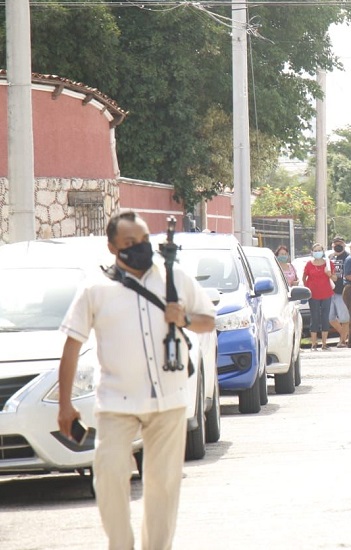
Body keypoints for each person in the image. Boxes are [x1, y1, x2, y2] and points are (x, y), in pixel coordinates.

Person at [56, 211, 216, 550]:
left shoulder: (174, 277)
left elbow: (207, 321)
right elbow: (72, 345)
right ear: (113, 247)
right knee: (109, 476)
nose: (140, 248)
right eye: (130, 243)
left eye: (144, 240)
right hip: (116, 403)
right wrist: (65, 404)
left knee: (163, 486)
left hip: (168, 401)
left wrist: (183, 318)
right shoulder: (95, 289)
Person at [302, 243, 336, 351]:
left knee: (325, 317)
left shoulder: (328, 263)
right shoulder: (309, 264)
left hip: (326, 293)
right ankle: (314, 343)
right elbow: (304, 277)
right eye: (315, 250)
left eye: (319, 250)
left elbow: (335, 278)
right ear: (312, 252)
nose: (317, 252)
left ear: (323, 251)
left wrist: (329, 273)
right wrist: (307, 288)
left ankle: (324, 343)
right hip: (313, 294)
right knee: (314, 317)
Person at [328, 236, 351, 348]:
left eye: (340, 243)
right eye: (335, 243)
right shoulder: (330, 257)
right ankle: (345, 335)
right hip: (330, 291)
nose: (337, 245)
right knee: (330, 318)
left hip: (342, 292)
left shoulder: (348, 257)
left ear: (344, 244)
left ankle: (342, 341)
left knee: (344, 318)